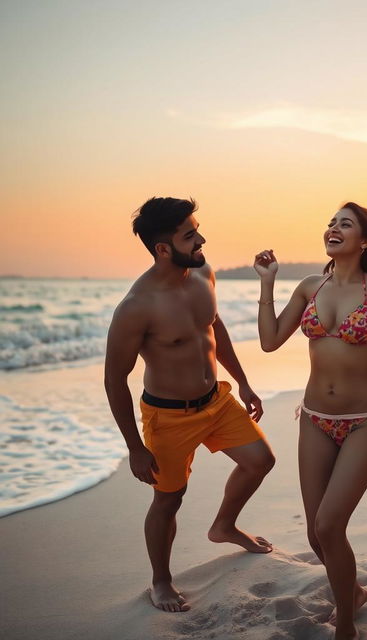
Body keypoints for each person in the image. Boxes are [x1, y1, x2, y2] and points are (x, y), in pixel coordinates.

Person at [254, 202, 367, 640]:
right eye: (331, 222)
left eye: (346, 223)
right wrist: (268, 284)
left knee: (328, 525)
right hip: (315, 419)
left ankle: (346, 627)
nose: (334, 228)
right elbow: (267, 341)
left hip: (365, 422)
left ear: (366, 240)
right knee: (317, 535)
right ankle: (352, 594)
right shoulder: (308, 287)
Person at [104, 197, 275, 613]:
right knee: (169, 498)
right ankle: (160, 581)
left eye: (196, 229)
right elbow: (114, 380)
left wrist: (244, 382)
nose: (201, 239)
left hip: (216, 400)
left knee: (260, 461)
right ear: (163, 248)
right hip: (168, 416)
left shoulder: (204, 273)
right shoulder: (136, 307)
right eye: (189, 234)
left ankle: (224, 526)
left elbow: (213, 327)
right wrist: (134, 447)